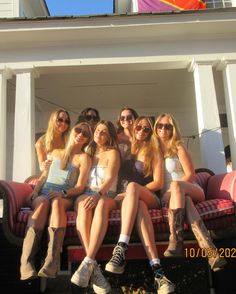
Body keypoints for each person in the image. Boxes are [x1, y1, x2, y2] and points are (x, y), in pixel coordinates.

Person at [105, 116, 175, 294]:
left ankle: (121, 247)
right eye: (138, 128)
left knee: (133, 188)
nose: (141, 131)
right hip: (133, 200)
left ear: (151, 132)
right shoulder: (126, 150)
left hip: (151, 196)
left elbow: (158, 182)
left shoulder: (154, 151)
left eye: (146, 129)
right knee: (140, 208)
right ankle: (158, 272)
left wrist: (132, 191)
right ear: (133, 129)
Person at [154, 113, 227, 271]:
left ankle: (176, 240)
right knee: (185, 202)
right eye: (160, 125)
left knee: (177, 186)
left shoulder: (178, 146)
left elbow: (191, 174)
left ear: (173, 129)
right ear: (156, 128)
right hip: (177, 198)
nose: (163, 129)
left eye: (168, 126)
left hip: (191, 189)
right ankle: (210, 251)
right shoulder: (154, 150)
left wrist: (174, 188)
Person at [20, 122, 93, 280]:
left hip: (65, 196)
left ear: (88, 140)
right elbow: (44, 176)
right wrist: (36, 191)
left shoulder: (84, 158)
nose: (81, 134)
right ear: (73, 130)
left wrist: (63, 192)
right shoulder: (54, 152)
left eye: (86, 134)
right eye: (79, 130)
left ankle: (52, 261)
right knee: (43, 204)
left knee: (57, 203)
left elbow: (80, 186)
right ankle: (26, 262)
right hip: (44, 193)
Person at [70, 120, 120, 294]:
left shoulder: (113, 152)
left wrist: (98, 195)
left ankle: (89, 261)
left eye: (104, 132)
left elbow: (110, 178)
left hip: (106, 195)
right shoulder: (88, 152)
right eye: (97, 131)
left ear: (110, 135)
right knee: (83, 204)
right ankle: (94, 268)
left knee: (99, 205)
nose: (99, 134)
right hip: (87, 193)